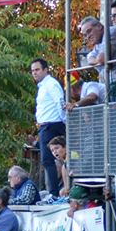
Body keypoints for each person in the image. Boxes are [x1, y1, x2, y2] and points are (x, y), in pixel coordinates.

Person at [30, 58, 66, 196]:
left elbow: (59, 102)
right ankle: (54, 192)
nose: (34, 73)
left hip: (52, 125)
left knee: (48, 160)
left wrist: (64, 121)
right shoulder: (43, 86)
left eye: (37, 69)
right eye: (33, 71)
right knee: (49, 160)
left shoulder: (51, 84)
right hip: (47, 125)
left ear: (45, 70)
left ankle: (54, 193)